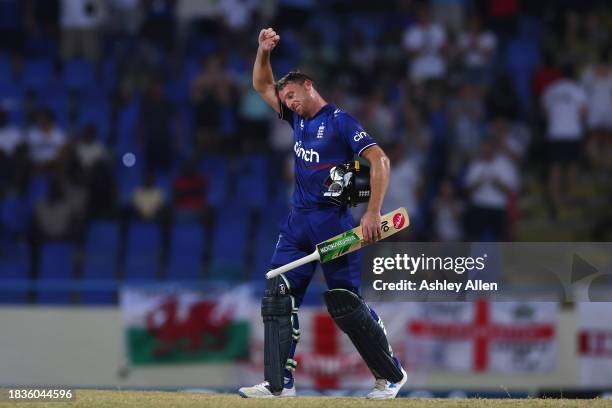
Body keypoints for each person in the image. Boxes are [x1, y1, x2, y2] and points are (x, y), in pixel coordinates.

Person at [238, 28, 407, 399]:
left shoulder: (341, 121)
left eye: (292, 95)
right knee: (278, 294)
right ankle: (279, 385)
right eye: (285, 99)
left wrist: (372, 212)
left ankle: (390, 376)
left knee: (347, 305)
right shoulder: (295, 118)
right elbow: (261, 85)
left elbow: (379, 160)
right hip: (297, 222)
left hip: (334, 223)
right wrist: (263, 52)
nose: (288, 103)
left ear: (309, 86)